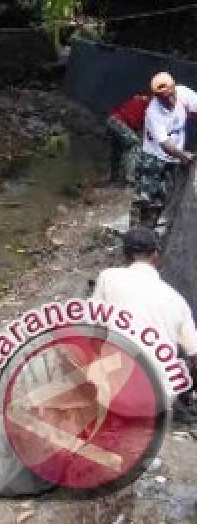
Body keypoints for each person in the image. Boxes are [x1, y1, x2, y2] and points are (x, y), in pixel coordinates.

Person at [91, 227, 197, 395]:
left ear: (125, 255)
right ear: (155, 255)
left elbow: (94, 330)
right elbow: (194, 354)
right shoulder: (177, 299)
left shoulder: (108, 278)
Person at [135, 72, 197, 226]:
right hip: (153, 158)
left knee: (165, 198)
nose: (169, 100)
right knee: (146, 200)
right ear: (157, 97)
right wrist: (184, 156)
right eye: (163, 98)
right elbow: (165, 145)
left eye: (171, 95)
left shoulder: (184, 94)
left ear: (175, 88)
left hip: (174, 158)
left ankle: (155, 234)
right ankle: (137, 237)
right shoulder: (153, 112)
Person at [107, 92, 150, 186]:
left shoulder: (139, 101)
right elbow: (134, 123)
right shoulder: (145, 103)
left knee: (117, 149)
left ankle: (114, 177)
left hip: (112, 120)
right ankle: (130, 177)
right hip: (119, 122)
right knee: (134, 144)